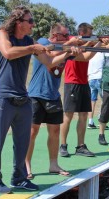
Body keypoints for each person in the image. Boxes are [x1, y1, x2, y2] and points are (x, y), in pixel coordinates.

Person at [0, 6, 79, 194]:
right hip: (3, 97)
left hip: (23, 98)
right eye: (30, 21)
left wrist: (68, 53)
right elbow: (8, 53)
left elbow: (50, 62)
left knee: (22, 141)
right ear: (19, 22)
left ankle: (19, 178)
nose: (33, 24)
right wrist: (32, 48)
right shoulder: (2, 34)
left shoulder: (29, 41)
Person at [25, 23, 73, 180]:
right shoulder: (43, 42)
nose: (68, 38)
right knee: (32, 132)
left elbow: (84, 56)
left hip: (53, 95)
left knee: (55, 131)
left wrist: (94, 44)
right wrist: (68, 49)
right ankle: (26, 165)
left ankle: (53, 164)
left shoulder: (64, 48)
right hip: (36, 95)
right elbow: (50, 57)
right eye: (66, 35)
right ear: (56, 35)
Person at [59, 23, 109, 157]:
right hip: (72, 82)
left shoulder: (87, 44)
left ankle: (80, 146)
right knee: (68, 116)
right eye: (88, 34)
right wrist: (98, 43)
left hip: (84, 82)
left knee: (83, 116)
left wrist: (103, 42)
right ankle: (63, 145)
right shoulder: (72, 42)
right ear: (81, 32)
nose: (90, 37)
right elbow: (87, 56)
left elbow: (105, 47)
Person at [87, 52, 107, 129]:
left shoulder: (90, 53)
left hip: (91, 78)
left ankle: (90, 121)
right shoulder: (102, 53)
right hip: (100, 77)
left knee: (92, 100)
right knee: (104, 100)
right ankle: (101, 120)